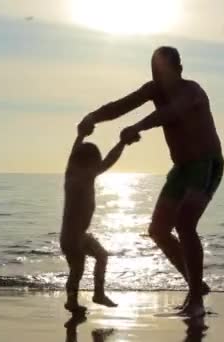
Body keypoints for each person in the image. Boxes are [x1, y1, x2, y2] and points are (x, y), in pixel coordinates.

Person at [78, 46, 224, 317]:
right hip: (181, 168)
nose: (158, 78)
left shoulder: (192, 91)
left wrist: (138, 127)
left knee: (185, 223)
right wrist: (93, 117)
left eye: (163, 71)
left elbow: (170, 113)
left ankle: (195, 300)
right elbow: (121, 105)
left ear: (179, 70)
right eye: (154, 71)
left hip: (206, 163)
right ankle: (196, 284)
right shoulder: (153, 89)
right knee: (158, 230)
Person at [60, 122, 138, 313]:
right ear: (89, 163)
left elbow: (76, 155)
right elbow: (108, 161)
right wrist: (121, 144)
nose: (99, 165)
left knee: (81, 268)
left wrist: (80, 136)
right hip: (75, 236)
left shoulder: (73, 174)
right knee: (91, 262)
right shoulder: (82, 177)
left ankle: (78, 300)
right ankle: (94, 295)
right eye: (96, 161)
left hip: (71, 235)